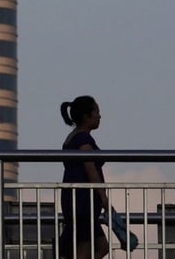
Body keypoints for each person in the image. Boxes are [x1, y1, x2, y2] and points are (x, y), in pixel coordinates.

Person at [59, 96, 109, 259]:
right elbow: (90, 168)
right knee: (85, 247)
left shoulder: (72, 137)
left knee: (101, 246)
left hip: (78, 199)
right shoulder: (83, 139)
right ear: (86, 116)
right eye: (96, 112)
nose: (99, 116)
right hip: (82, 200)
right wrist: (103, 196)